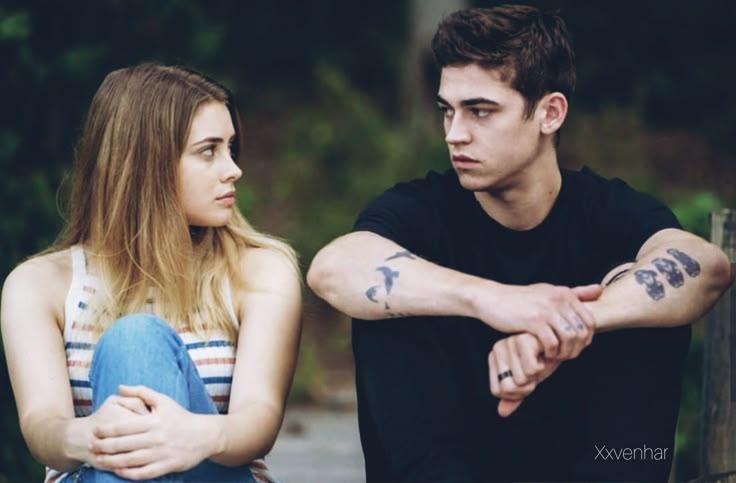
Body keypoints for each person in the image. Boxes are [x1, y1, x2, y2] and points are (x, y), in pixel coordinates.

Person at [307, 5, 733, 482]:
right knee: (391, 295)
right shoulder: (418, 211)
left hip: (601, 468)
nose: (454, 134)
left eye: (481, 111)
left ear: (550, 112)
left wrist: (560, 328)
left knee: (648, 303)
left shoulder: (610, 211)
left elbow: (706, 265)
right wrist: (498, 302)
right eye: (448, 110)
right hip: (441, 469)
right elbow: (332, 268)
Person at [1, 63, 302, 482]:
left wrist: (198, 435)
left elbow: (260, 419)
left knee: (135, 339)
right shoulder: (38, 285)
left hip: (212, 472)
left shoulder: (259, 270)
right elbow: (41, 424)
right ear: (148, 163)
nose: (233, 169)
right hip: (96, 474)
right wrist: (90, 436)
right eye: (209, 150)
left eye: (231, 148)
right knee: (134, 343)